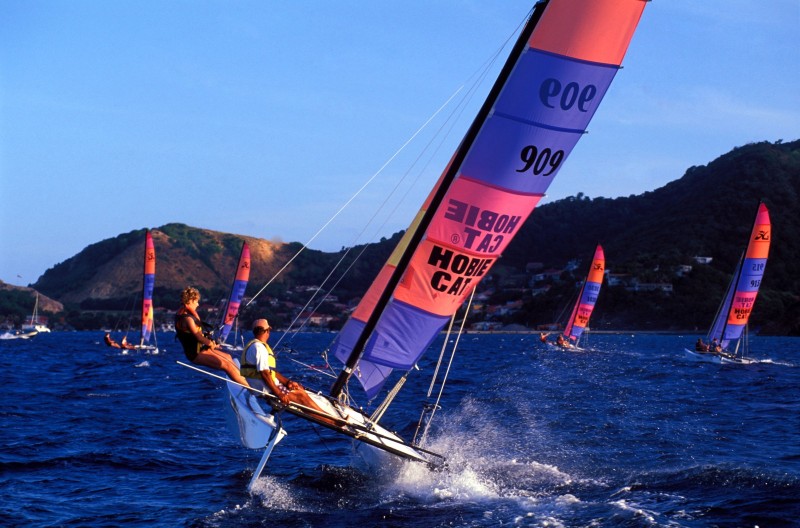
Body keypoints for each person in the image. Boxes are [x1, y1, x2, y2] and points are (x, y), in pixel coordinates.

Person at [241, 318, 341, 427]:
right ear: (266, 332)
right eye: (269, 330)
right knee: (301, 398)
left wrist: (287, 382)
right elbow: (264, 373)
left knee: (300, 390)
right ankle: (333, 422)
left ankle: (331, 417)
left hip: (269, 386)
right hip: (266, 389)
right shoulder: (259, 347)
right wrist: (279, 393)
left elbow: (271, 372)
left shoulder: (256, 346)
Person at [175, 286, 251, 388]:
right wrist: (211, 344)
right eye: (196, 301)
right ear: (191, 300)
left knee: (228, 357)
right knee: (226, 365)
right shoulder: (187, 319)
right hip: (195, 354)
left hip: (202, 349)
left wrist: (211, 343)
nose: (198, 304)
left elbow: (199, 336)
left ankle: (244, 381)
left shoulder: (186, 313)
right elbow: (199, 338)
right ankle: (250, 389)